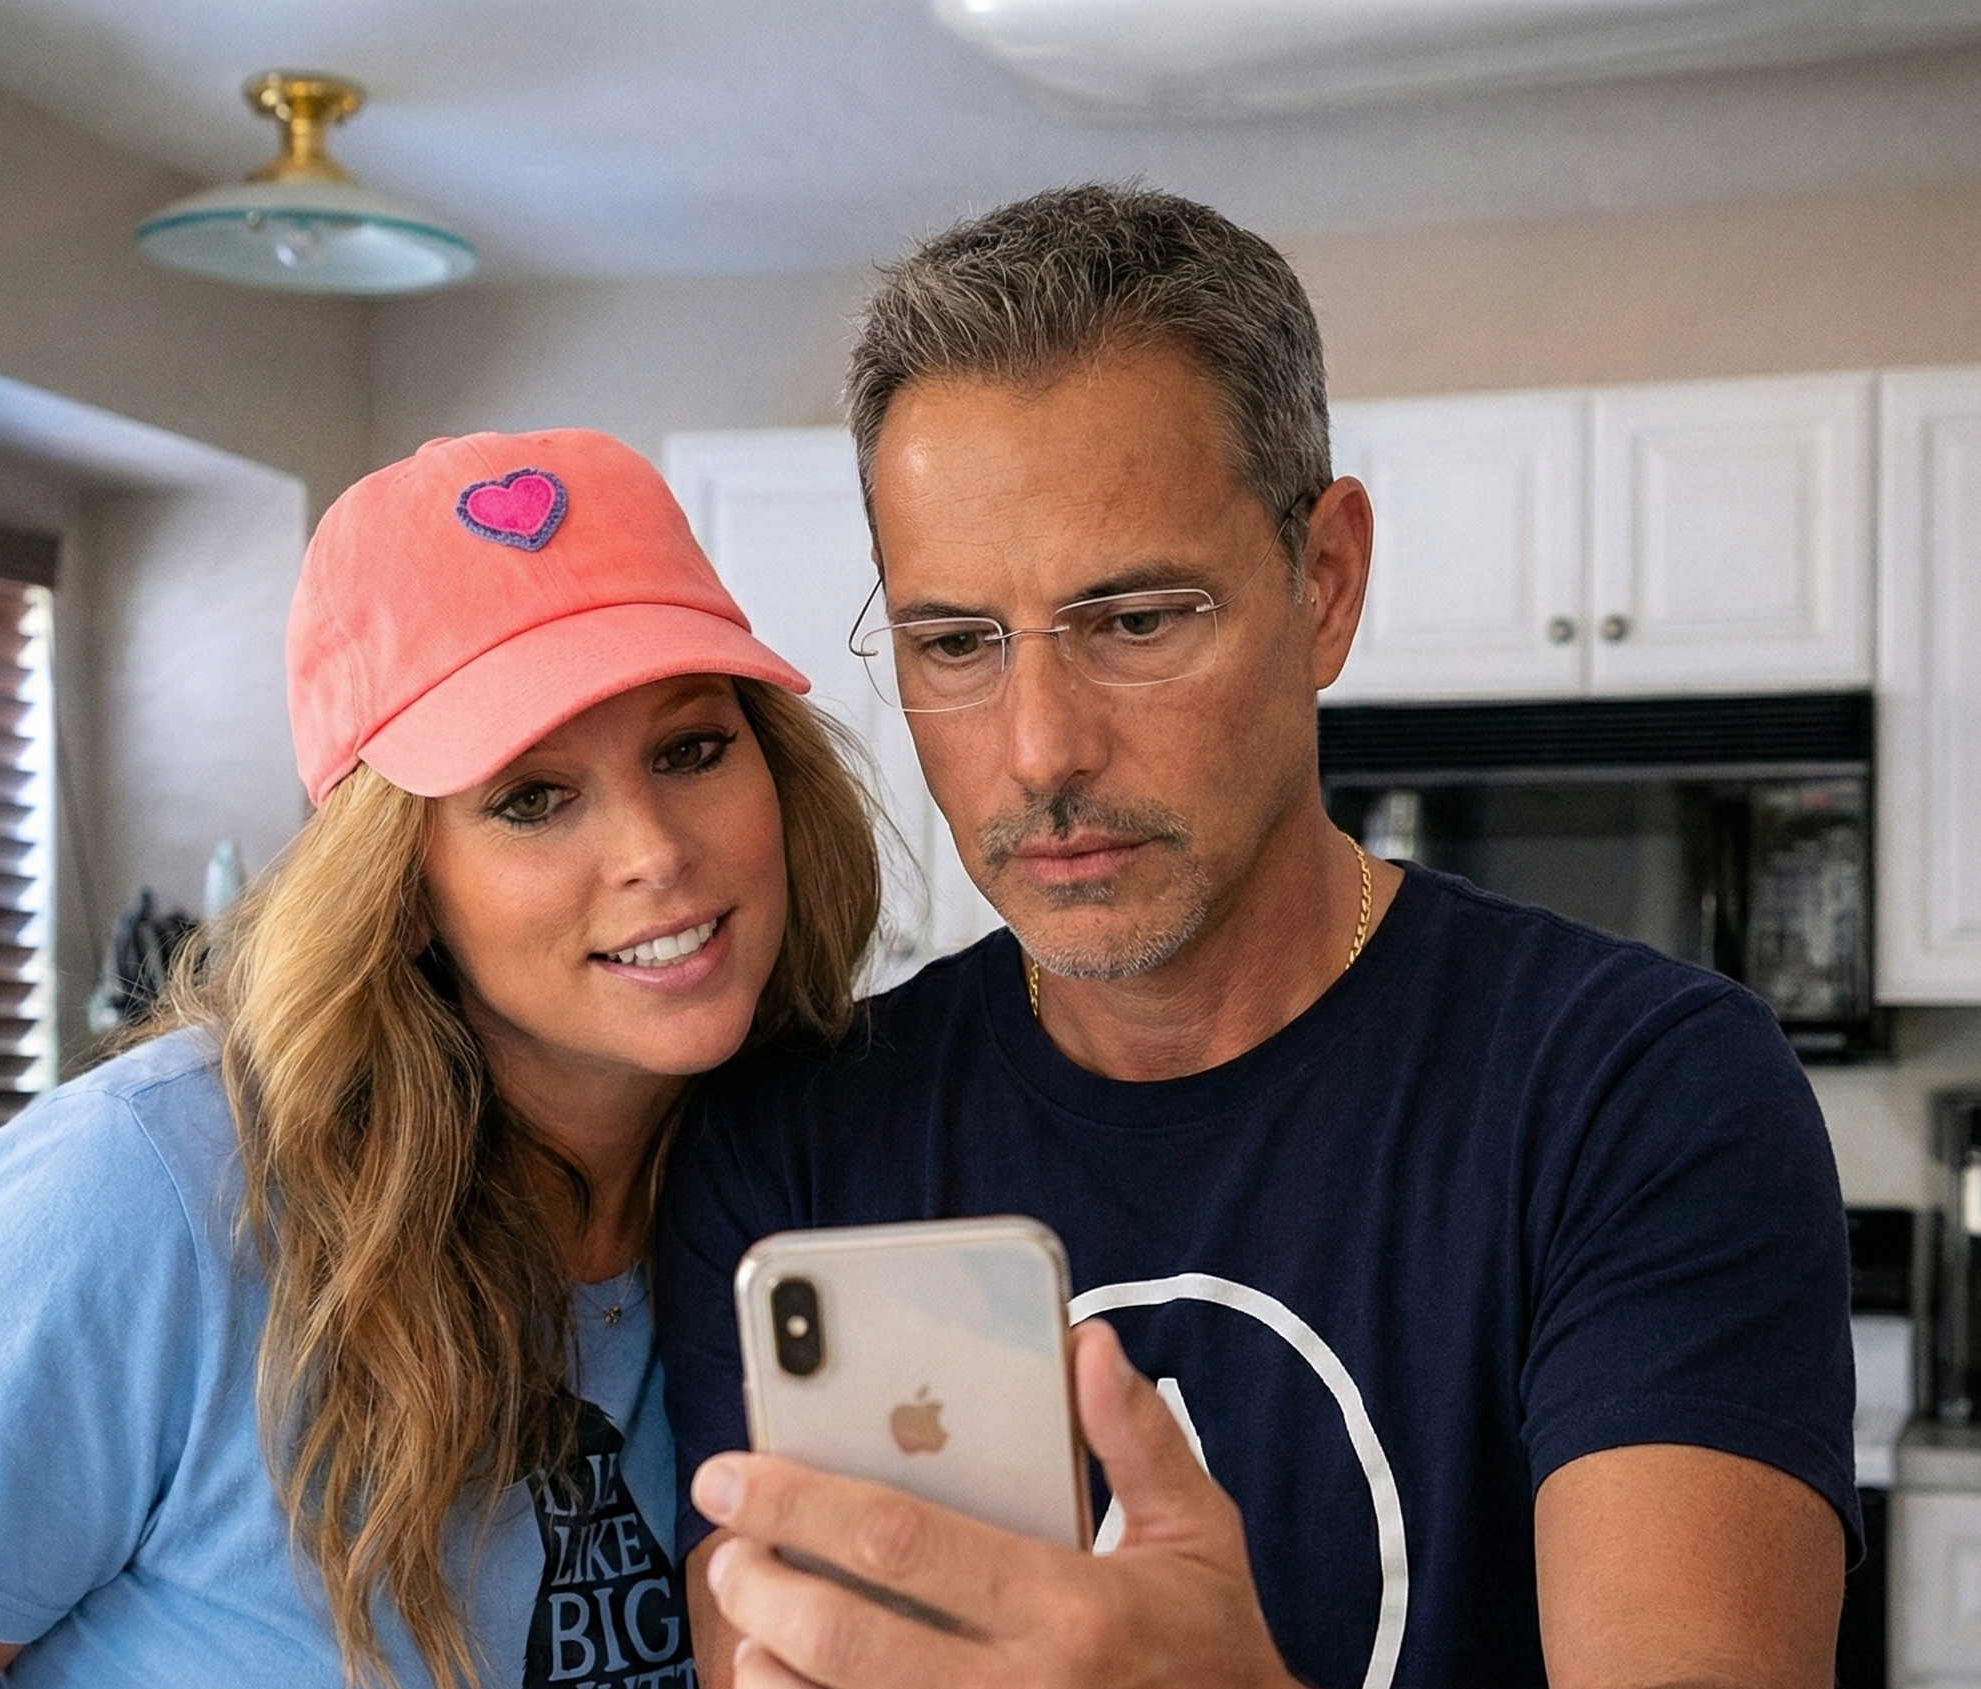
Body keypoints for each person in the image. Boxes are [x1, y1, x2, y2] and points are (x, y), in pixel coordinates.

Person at [655, 186, 1856, 1689]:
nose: (1039, 749)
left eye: (1138, 619)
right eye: (955, 642)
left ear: (1326, 583)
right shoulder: (794, 1150)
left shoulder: (1638, 1093)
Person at [0, 429, 879, 1689]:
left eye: (690, 748)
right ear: (400, 880)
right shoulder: (138, 1201)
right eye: (529, 797)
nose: (654, 850)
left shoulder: (824, 1175)